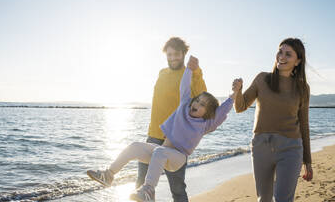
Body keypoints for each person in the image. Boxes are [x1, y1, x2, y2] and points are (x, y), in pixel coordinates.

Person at [87, 56, 234, 202]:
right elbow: (184, 86)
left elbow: (222, 112)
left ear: (208, 113)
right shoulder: (184, 105)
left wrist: (233, 95)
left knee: (160, 152)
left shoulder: (206, 124)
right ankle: (108, 174)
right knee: (135, 146)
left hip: (178, 158)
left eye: (203, 105)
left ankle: (149, 191)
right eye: (197, 100)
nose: (197, 104)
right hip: (162, 151)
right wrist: (188, 69)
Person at [232, 37, 313, 202]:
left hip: (291, 148)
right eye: (280, 52)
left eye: (288, 54)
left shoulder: (303, 88)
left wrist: (308, 161)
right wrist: (237, 91)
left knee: (283, 199)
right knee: (264, 199)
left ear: (297, 61)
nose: (281, 57)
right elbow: (240, 107)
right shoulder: (262, 79)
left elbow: (304, 124)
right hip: (262, 146)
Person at [138, 37, 207, 202]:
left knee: (177, 188)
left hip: (176, 140)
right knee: (141, 185)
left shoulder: (191, 74)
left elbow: (203, 97)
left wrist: (196, 71)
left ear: (184, 54)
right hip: (153, 135)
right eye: (169, 54)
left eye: (176, 54)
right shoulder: (162, 73)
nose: (172, 58)